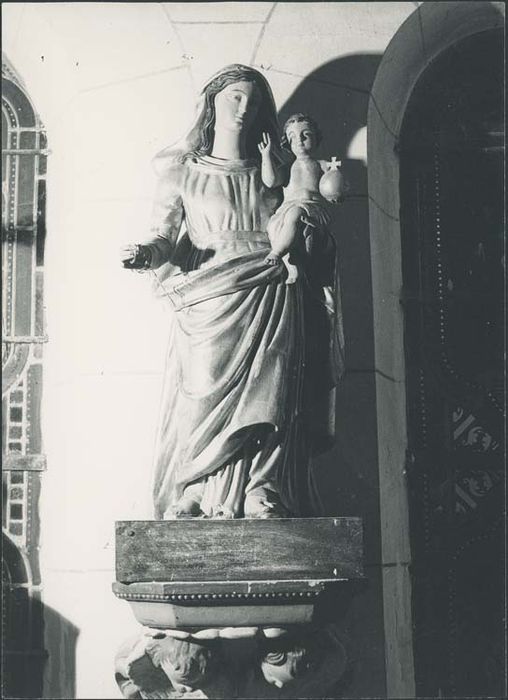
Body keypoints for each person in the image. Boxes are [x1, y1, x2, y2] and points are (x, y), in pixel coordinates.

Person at [121, 65, 342, 520]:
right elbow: (164, 236)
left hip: (270, 284)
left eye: (254, 101)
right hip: (210, 292)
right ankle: (198, 487)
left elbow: (300, 218)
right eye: (235, 98)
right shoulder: (182, 173)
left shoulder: (275, 175)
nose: (245, 109)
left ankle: (263, 488)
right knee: (201, 389)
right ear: (212, 102)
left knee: (275, 385)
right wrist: (145, 253)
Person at [259, 113, 343, 284]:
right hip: (287, 209)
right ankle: (294, 270)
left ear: (316, 137)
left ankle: (276, 253)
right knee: (282, 222)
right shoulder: (287, 167)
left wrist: (337, 191)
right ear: (287, 143)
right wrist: (266, 155)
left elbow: (337, 184)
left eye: (306, 135)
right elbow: (270, 181)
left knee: (295, 215)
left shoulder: (321, 165)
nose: (300, 140)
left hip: (312, 208)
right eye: (293, 137)